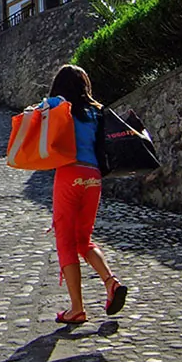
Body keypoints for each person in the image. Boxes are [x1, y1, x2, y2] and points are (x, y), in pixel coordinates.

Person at [45, 64, 128, 324]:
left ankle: (77, 308)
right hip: (93, 177)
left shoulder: (57, 105)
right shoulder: (97, 110)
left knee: (66, 242)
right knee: (84, 239)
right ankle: (110, 281)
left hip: (69, 174)